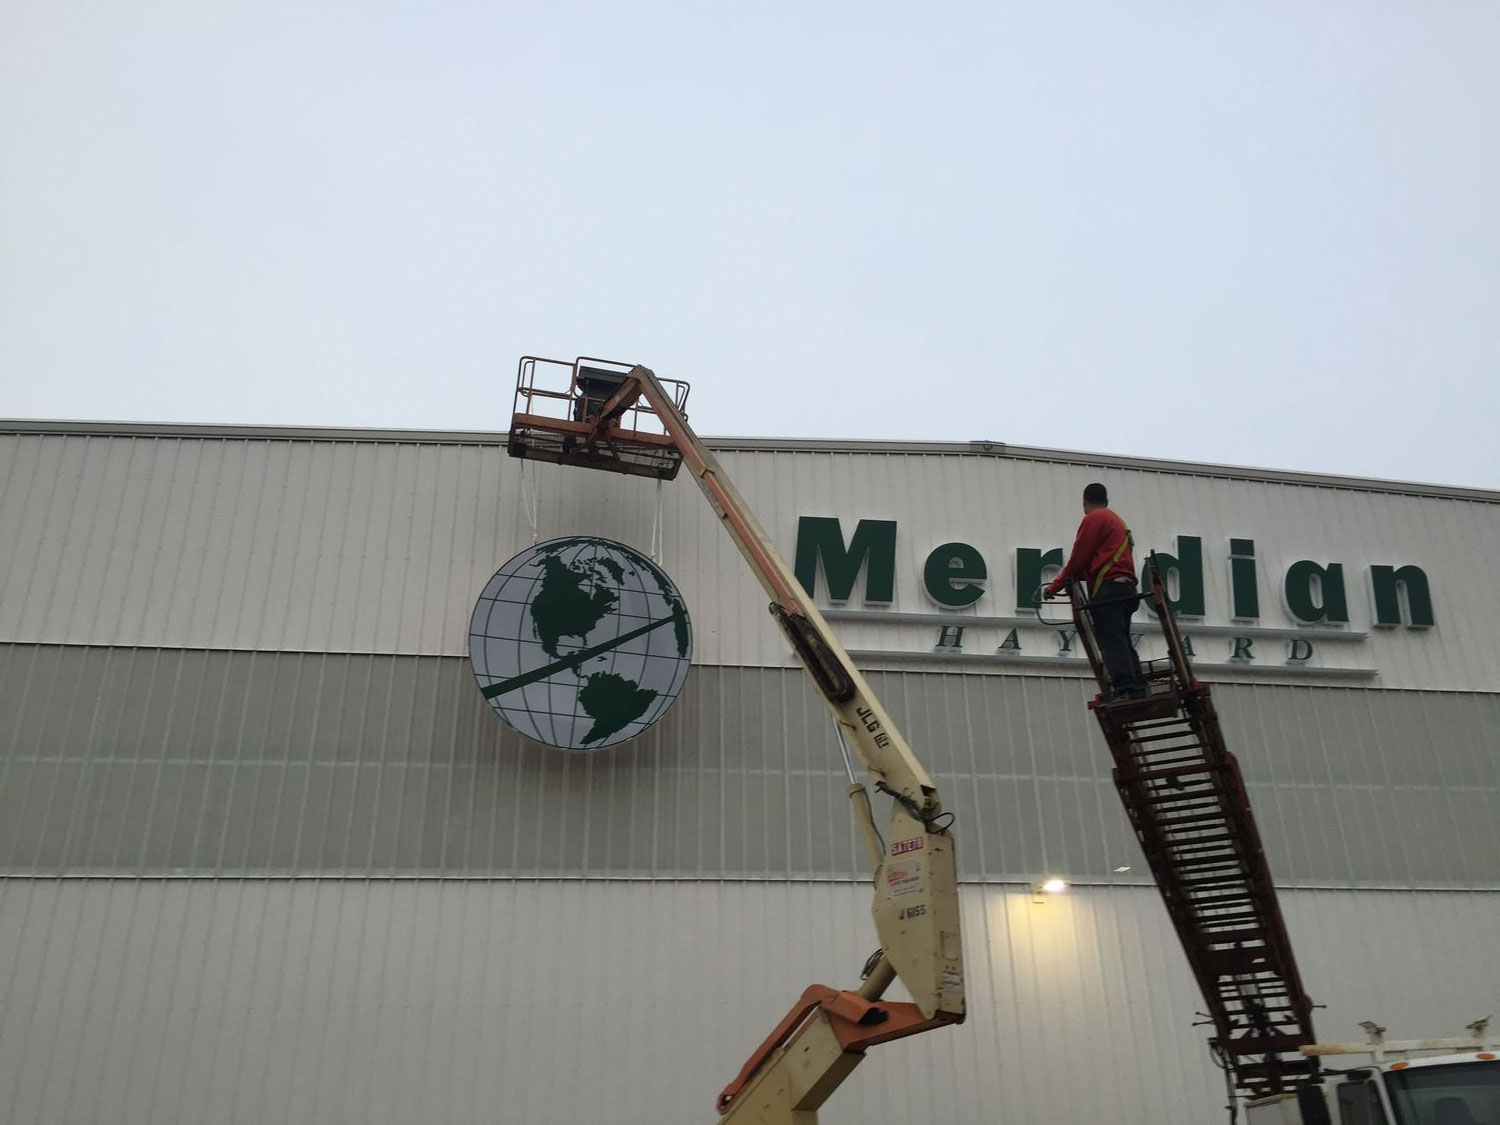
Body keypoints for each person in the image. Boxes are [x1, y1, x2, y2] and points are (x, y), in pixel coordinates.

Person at [1043, 482, 1146, 700]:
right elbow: (1093, 564)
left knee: (1111, 641)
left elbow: (1079, 559)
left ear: (1085, 502)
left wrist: (1055, 586)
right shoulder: (1118, 522)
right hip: (1126, 588)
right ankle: (1137, 688)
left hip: (1108, 589)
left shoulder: (1095, 518)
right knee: (1122, 639)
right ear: (1107, 501)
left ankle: (1124, 689)